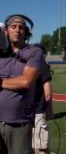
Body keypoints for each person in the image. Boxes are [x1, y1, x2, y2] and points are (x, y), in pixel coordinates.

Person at [0, 14, 44, 154]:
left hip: (19, 124)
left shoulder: (34, 52)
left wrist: (0, 82)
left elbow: (26, 81)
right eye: (13, 27)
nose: (17, 30)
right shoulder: (1, 54)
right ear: (6, 31)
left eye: (21, 27)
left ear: (26, 32)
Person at [32, 44, 53, 154]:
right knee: (40, 147)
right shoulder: (42, 65)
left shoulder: (28, 64)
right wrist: (49, 110)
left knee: (38, 147)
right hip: (37, 112)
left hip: (28, 113)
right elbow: (48, 93)